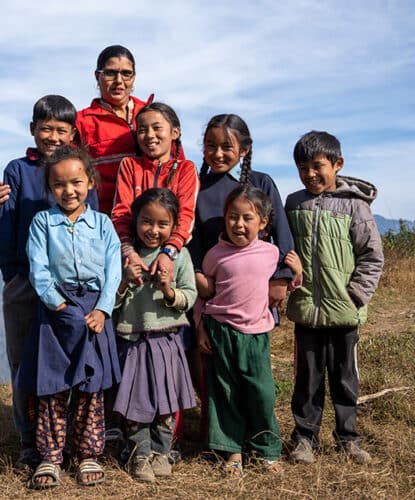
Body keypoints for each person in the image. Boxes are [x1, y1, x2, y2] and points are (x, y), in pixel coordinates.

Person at [0, 95, 99, 470]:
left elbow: (96, 223)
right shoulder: (18, 171)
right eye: (46, 128)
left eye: (61, 130)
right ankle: (29, 440)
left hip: (75, 289)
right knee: (25, 362)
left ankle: (69, 439)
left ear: (73, 133)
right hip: (26, 280)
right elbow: (6, 223)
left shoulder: (80, 171)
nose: (52, 136)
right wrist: (12, 273)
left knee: (73, 361)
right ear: (32, 130)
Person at [16, 145, 122, 488]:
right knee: (53, 385)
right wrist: (60, 306)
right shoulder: (42, 223)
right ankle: (49, 457)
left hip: (94, 311)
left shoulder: (103, 224)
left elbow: (113, 270)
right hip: (55, 311)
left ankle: (88, 452)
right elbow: (39, 269)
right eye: (59, 184)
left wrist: (103, 309)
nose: (69, 190)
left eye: (76, 182)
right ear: (49, 188)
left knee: (91, 385)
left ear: (90, 182)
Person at [185, 114, 295, 428]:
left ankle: (255, 428)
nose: (217, 153)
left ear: (245, 150)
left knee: (252, 367)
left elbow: (283, 236)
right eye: (210, 146)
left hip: (253, 298)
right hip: (211, 292)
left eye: (226, 147)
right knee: (214, 367)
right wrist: (195, 275)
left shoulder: (261, 183)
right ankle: (218, 431)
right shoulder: (197, 188)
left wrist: (280, 278)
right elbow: (190, 238)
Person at [283, 130, 384, 465]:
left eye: (317, 166)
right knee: (307, 380)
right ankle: (304, 439)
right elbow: (286, 249)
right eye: (303, 168)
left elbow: (371, 257)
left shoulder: (356, 205)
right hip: (307, 311)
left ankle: (348, 438)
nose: (310, 174)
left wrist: (355, 296)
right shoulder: (294, 203)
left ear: (337, 164)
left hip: (344, 313)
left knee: (344, 379)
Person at [0, 45, 182, 212]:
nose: (119, 81)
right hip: (104, 221)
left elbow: (177, 166)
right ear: (97, 76)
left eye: (126, 74)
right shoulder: (82, 122)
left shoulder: (152, 116)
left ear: (134, 77)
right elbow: (53, 164)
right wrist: (12, 196)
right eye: (111, 73)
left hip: (156, 220)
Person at [195, 185, 284, 475]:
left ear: (263, 222)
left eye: (248, 217)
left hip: (257, 335)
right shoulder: (215, 255)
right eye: (233, 217)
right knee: (225, 394)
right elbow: (203, 296)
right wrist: (200, 328)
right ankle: (232, 452)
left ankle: (266, 449)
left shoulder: (271, 253)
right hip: (221, 332)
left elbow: (281, 286)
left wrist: (294, 273)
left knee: (263, 393)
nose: (239, 224)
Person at [112, 188, 197, 482]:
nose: (153, 230)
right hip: (133, 341)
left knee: (165, 402)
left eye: (163, 224)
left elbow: (190, 295)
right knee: (137, 404)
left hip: (167, 340)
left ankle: (161, 452)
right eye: (147, 221)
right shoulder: (125, 257)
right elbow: (111, 301)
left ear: (174, 227)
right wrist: (124, 281)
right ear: (135, 221)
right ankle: (139, 455)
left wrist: (169, 291)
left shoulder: (180, 256)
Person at [111, 102, 198, 287]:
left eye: (157, 128)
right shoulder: (129, 166)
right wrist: (129, 251)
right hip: (134, 257)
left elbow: (186, 216)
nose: (150, 135)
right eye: (142, 129)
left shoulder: (186, 169)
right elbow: (121, 213)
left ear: (175, 132)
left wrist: (169, 253)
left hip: (174, 257)